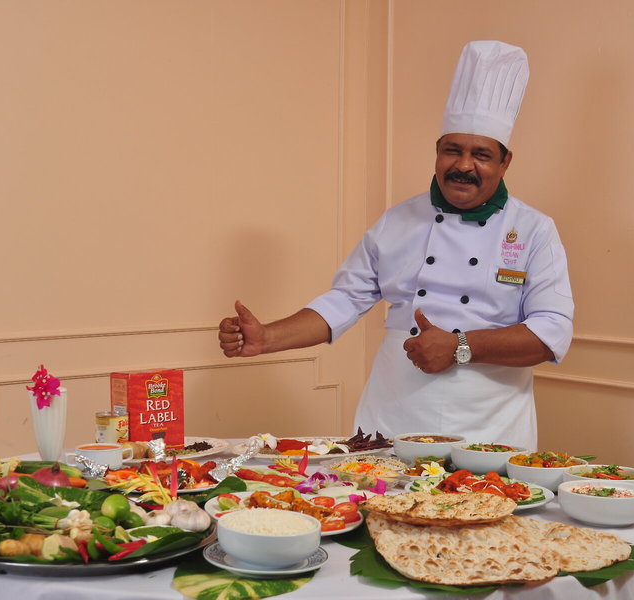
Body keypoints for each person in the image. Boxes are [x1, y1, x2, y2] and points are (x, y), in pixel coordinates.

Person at [218, 41, 573, 450]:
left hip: (489, 427)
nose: (463, 165)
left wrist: (460, 346)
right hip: (394, 414)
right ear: (437, 152)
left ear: (505, 161)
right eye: (452, 150)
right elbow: (345, 299)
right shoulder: (397, 220)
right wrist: (266, 337)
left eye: (481, 155)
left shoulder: (534, 230)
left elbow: (551, 332)